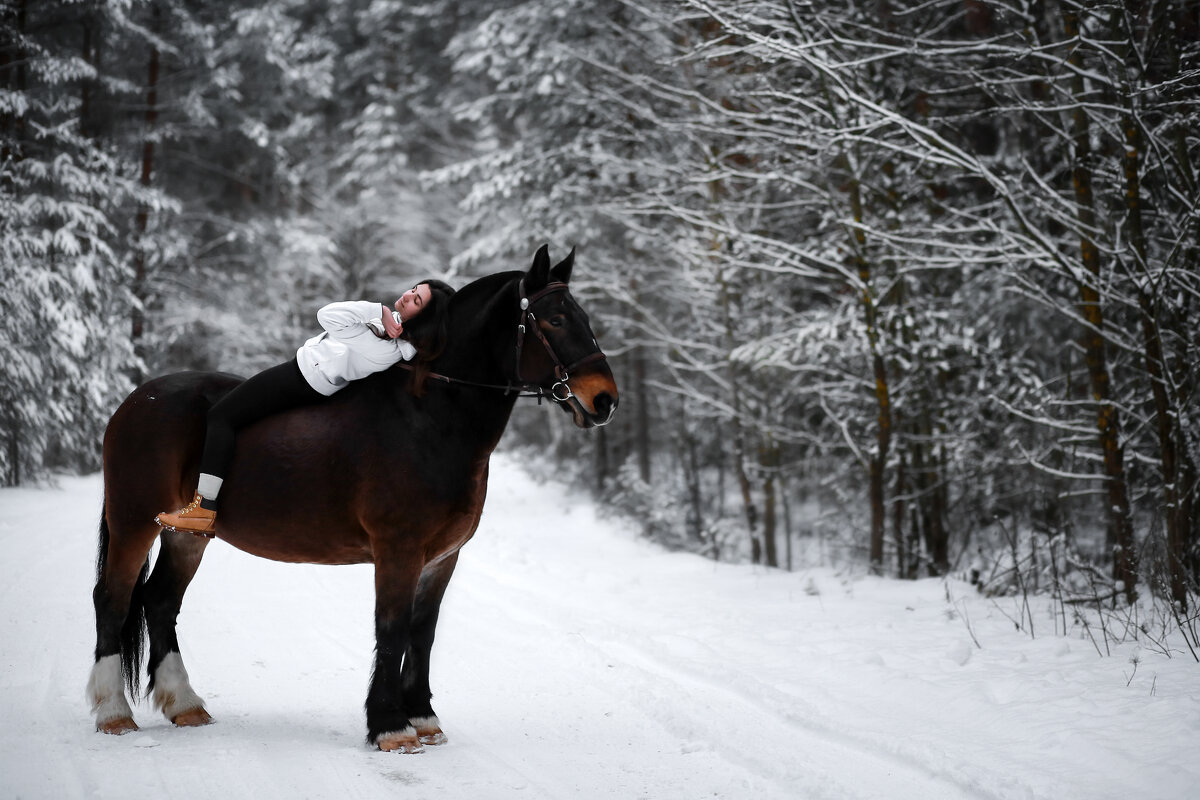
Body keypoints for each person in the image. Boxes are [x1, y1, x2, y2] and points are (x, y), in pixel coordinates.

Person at [155, 279, 456, 535]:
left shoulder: (387, 349)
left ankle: (204, 508)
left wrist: (376, 310)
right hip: (303, 372)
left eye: (416, 300)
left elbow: (327, 315)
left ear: (423, 317)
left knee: (221, 416)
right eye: (413, 289)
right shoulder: (392, 330)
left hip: (303, 378)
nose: (407, 296)